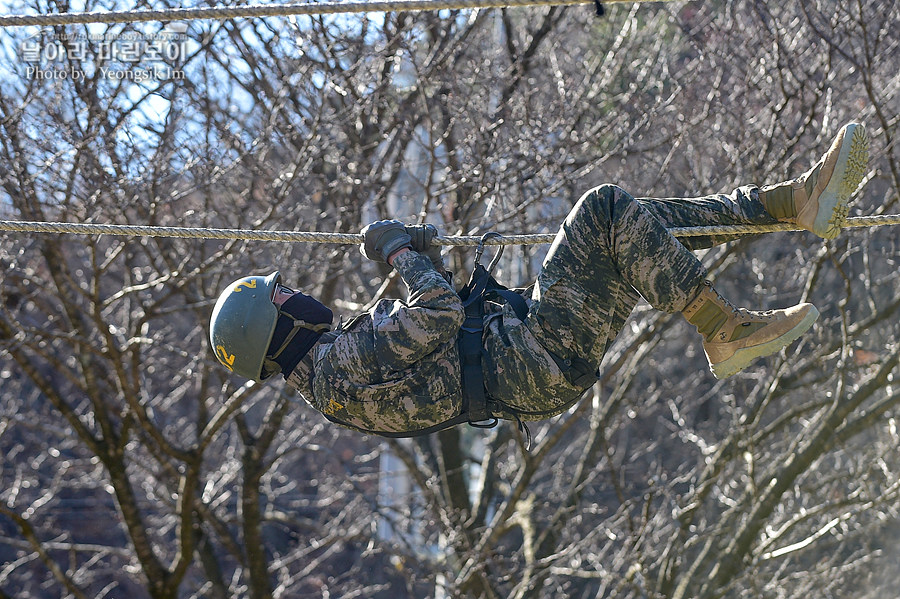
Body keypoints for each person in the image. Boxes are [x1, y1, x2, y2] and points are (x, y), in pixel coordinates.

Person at [210, 123, 869, 437]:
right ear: (279, 323)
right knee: (605, 205)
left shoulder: (331, 381)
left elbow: (431, 337)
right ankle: (722, 330)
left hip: (534, 364)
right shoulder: (336, 364)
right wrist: (399, 254)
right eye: (285, 295)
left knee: (635, 225)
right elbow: (437, 314)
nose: (301, 294)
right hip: (532, 352)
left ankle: (791, 202)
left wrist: (422, 256)